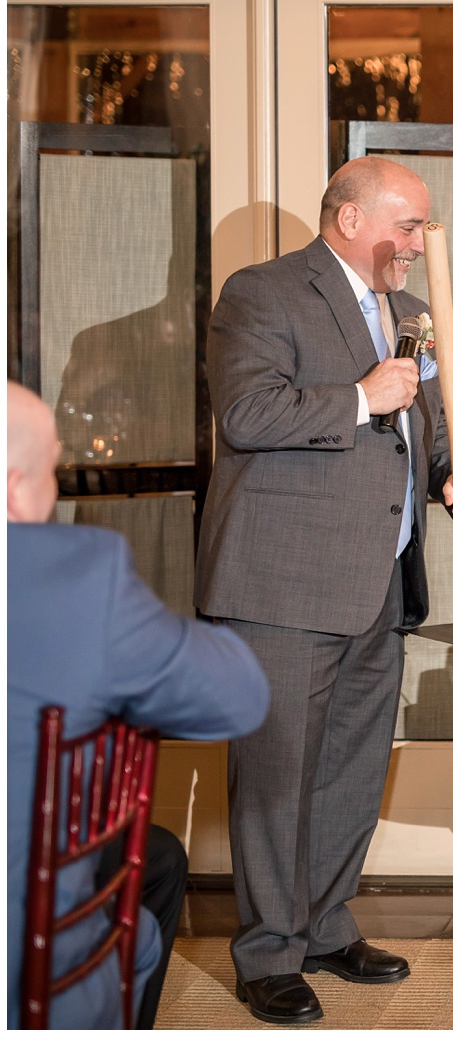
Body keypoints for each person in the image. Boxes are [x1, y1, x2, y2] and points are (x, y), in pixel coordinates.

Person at [195, 156, 453, 1025]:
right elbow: (247, 415)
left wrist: (452, 480)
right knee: (277, 777)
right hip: (281, 584)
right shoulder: (264, 292)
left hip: (379, 583)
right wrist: (361, 397)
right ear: (351, 217)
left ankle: (325, 926)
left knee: (350, 776)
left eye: (424, 228)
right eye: (409, 225)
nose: (419, 243)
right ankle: (266, 953)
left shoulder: (409, 312)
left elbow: (423, 426)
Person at [7, 382, 270, 1029]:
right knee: (149, 880)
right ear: (14, 487)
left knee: (156, 857)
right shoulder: (71, 578)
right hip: (27, 969)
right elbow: (241, 695)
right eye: (53, 474)